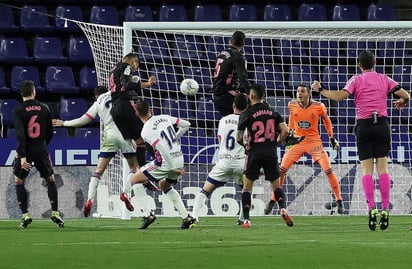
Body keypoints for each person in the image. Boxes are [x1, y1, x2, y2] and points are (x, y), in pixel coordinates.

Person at [311, 50, 410, 231]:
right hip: (381, 125)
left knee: (366, 170)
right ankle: (385, 208)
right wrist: (402, 101)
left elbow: (340, 96)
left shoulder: (356, 79)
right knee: (383, 168)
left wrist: (321, 90)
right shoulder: (385, 79)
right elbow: (405, 94)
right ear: (375, 62)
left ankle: (371, 207)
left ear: (359, 65)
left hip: (364, 126)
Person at [52, 86, 155, 226]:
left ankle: (90, 199)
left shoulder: (99, 101)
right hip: (124, 134)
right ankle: (126, 193)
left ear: (96, 95)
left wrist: (64, 123)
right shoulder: (120, 94)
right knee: (135, 168)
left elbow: (84, 120)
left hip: (110, 135)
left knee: (99, 170)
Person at [264, 84, 344, 215]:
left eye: (302, 91)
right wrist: (290, 134)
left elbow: (327, 121)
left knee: (328, 170)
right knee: (282, 170)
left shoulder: (319, 106)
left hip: (314, 143)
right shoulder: (292, 105)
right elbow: (292, 118)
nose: (299, 94)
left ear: (308, 94)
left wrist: (331, 138)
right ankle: (273, 201)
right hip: (297, 142)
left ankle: (339, 201)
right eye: (297, 91)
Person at [236, 84, 304, 228]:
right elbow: (285, 131)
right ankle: (283, 209)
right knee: (276, 186)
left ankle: (246, 220)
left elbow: (239, 138)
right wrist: (276, 142)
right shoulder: (273, 112)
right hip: (270, 152)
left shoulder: (246, 113)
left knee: (247, 188)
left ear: (251, 96)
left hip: (254, 152)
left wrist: (245, 146)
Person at [125, 100, 196, 229]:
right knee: (165, 186)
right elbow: (186, 124)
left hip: (165, 162)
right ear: (150, 109)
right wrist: (175, 137)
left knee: (134, 180)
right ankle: (186, 217)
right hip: (179, 157)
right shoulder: (164, 117)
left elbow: (161, 148)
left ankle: (147, 215)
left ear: (136, 114)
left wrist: (172, 167)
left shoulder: (146, 130)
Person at [13, 80, 64, 228]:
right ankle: (55, 213)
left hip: (26, 151)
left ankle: (25, 215)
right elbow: (49, 132)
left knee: (19, 180)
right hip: (41, 149)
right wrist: (42, 146)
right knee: (50, 179)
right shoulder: (44, 107)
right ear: (34, 92)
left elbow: (20, 134)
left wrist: (22, 156)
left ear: (21, 93)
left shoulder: (18, 110)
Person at [192, 94, 249, 225]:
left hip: (224, 162)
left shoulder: (223, 120)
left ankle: (194, 217)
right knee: (246, 190)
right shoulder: (247, 122)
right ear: (247, 107)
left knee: (205, 190)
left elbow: (220, 140)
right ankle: (242, 219)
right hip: (241, 163)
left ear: (233, 105)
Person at [109, 52, 156, 167]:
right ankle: (159, 162)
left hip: (115, 109)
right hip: (125, 104)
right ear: (133, 61)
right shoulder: (126, 67)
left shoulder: (114, 69)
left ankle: (141, 175)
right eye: (137, 63)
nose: (136, 67)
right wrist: (147, 84)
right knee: (147, 133)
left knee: (139, 141)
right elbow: (126, 85)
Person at [213, 30, 250, 116]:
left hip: (216, 96)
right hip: (227, 95)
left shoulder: (221, 54)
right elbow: (243, 79)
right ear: (243, 45)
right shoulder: (238, 57)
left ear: (230, 41)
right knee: (256, 108)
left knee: (232, 122)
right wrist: (251, 94)